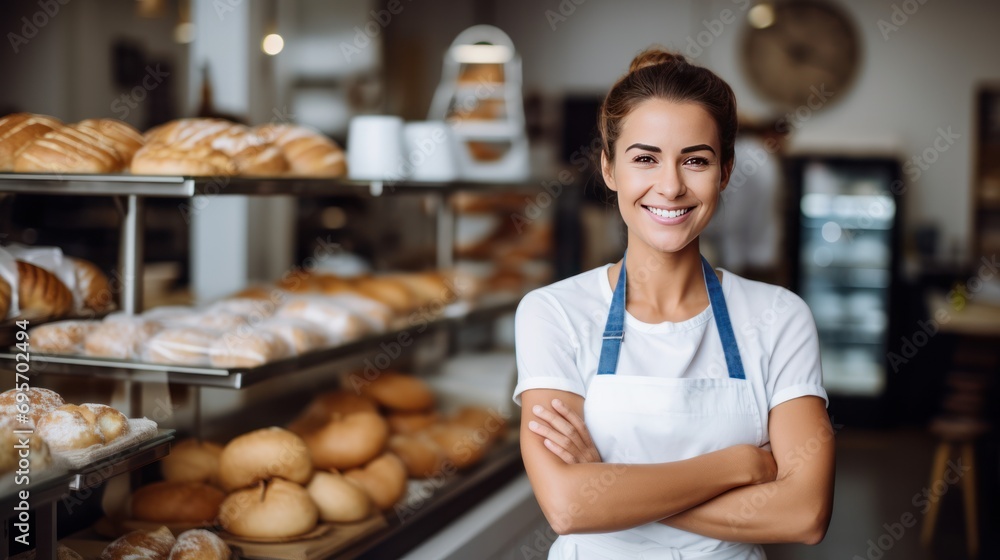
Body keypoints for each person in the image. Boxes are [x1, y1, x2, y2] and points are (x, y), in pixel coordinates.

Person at [513, 48, 834, 559]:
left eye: (696, 160)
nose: (670, 186)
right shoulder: (553, 312)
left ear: (725, 171)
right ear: (609, 168)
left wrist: (610, 490)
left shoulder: (780, 317)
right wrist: (740, 466)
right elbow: (569, 508)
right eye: (645, 158)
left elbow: (804, 514)